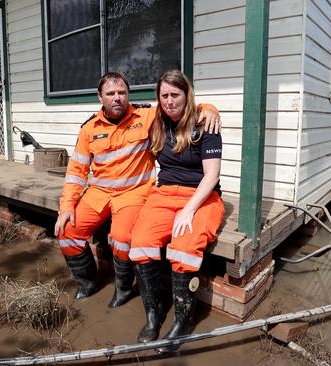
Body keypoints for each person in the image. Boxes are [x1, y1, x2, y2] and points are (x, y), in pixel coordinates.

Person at [54, 72, 220, 308]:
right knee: (66, 230)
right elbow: (76, 171)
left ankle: (123, 288)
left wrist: (210, 108)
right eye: (110, 93)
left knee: (122, 238)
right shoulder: (89, 129)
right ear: (100, 97)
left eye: (122, 92)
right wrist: (67, 205)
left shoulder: (147, 115)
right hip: (98, 193)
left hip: (134, 192)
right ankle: (87, 282)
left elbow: (178, 105)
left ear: (128, 95)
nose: (117, 98)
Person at [128, 70, 224, 352]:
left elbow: (212, 176)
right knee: (141, 242)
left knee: (184, 247)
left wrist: (188, 210)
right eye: (164, 95)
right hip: (164, 193)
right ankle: (154, 313)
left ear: (186, 95)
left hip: (201, 196)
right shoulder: (155, 120)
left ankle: (184, 320)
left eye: (175, 95)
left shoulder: (205, 123)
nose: (169, 101)